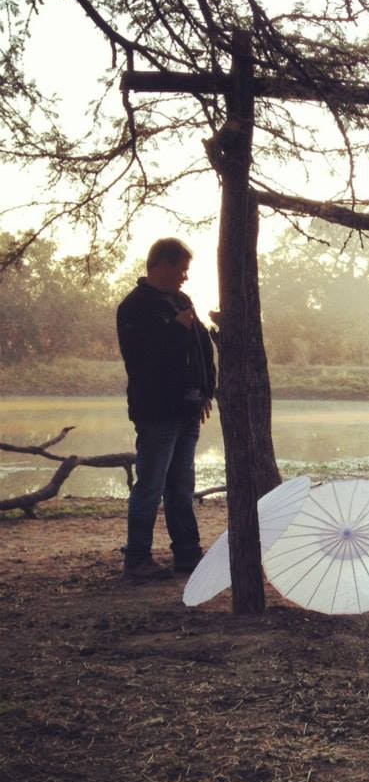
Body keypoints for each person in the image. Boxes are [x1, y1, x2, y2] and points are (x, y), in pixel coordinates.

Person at [117, 238, 216, 580]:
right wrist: (176, 329)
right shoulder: (134, 307)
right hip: (156, 411)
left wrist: (206, 391)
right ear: (161, 264)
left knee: (182, 485)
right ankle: (137, 559)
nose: (185, 277)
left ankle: (188, 554)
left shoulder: (182, 301)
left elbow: (201, 347)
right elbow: (142, 360)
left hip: (187, 408)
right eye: (181, 270)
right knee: (150, 485)